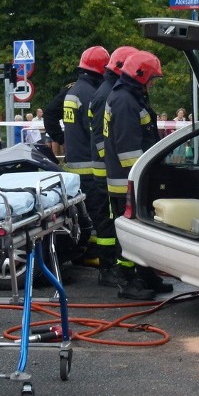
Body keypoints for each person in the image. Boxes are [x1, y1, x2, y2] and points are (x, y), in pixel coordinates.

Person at [103, 50, 170, 300]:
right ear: (141, 74)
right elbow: (128, 149)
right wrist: (143, 176)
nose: (153, 82)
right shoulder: (124, 100)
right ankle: (127, 280)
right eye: (153, 77)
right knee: (128, 233)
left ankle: (144, 273)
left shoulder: (132, 96)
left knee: (141, 231)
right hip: (127, 182)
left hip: (132, 179)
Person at [87, 46, 138, 279]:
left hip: (108, 171)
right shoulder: (107, 95)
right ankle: (108, 269)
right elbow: (101, 138)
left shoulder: (109, 90)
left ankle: (111, 269)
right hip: (106, 173)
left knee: (111, 223)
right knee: (108, 225)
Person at [63, 46, 110, 255]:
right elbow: (96, 134)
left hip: (74, 167)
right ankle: (101, 260)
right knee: (100, 216)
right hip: (91, 169)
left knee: (85, 216)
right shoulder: (92, 94)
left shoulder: (73, 91)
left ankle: (86, 253)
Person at [44, 80, 74, 160]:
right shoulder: (94, 87)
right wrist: (61, 139)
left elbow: (49, 114)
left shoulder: (70, 87)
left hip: (73, 148)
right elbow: (50, 114)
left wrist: (62, 140)